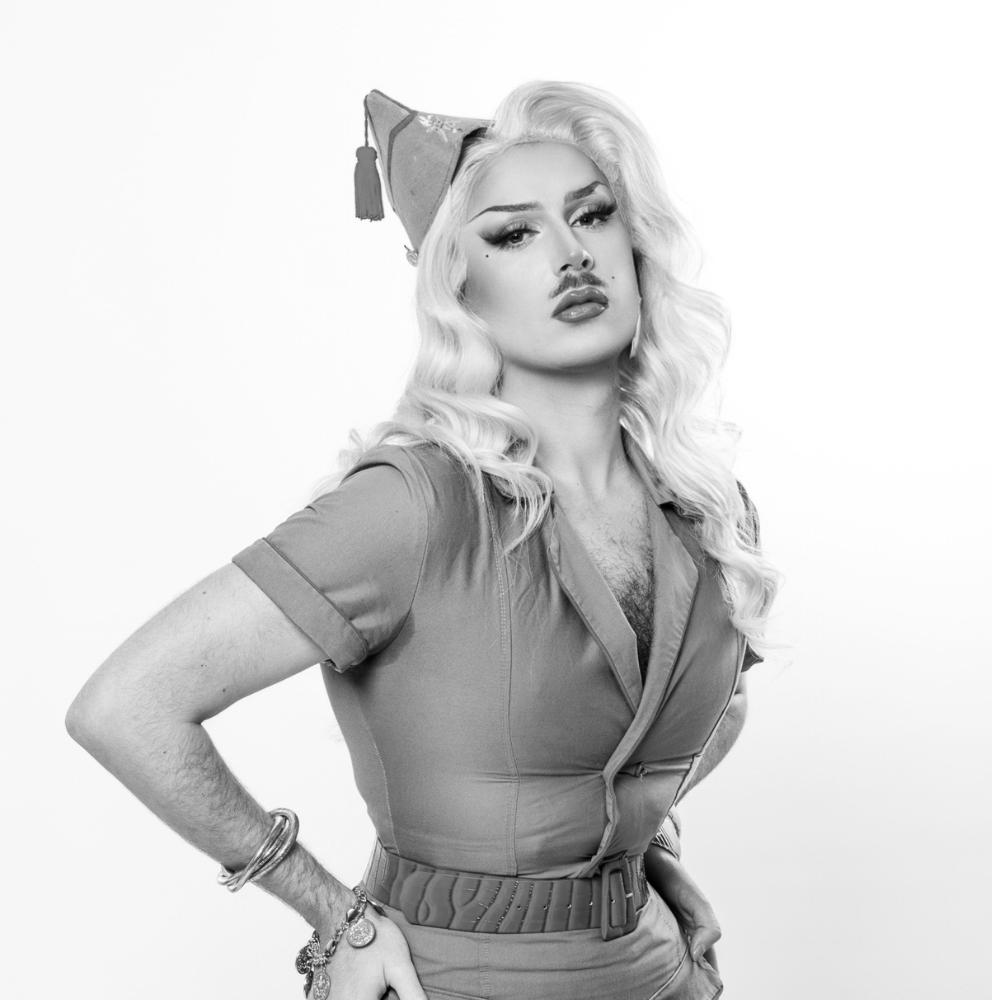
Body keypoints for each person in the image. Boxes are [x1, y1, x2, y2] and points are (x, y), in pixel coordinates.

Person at [66, 81, 779, 1000]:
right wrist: (333, 914)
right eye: (513, 235)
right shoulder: (414, 505)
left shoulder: (708, 507)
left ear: (636, 247)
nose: (570, 254)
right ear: (458, 287)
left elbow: (720, 703)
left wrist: (632, 849)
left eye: (593, 215)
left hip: (658, 973)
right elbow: (127, 706)